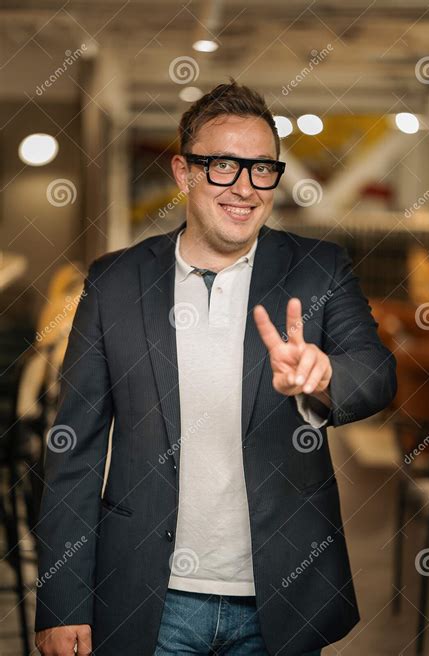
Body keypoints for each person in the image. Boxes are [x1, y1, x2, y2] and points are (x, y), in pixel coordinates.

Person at [34, 79, 397, 656]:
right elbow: (71, 450)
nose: (245, 189)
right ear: (184, 173)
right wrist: (61, 600)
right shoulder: (114, 282)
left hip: (281, 598)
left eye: (262, 169)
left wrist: (325, 376)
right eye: (224, 166)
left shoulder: (317, 269)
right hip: (145, 596)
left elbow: (378, 375)